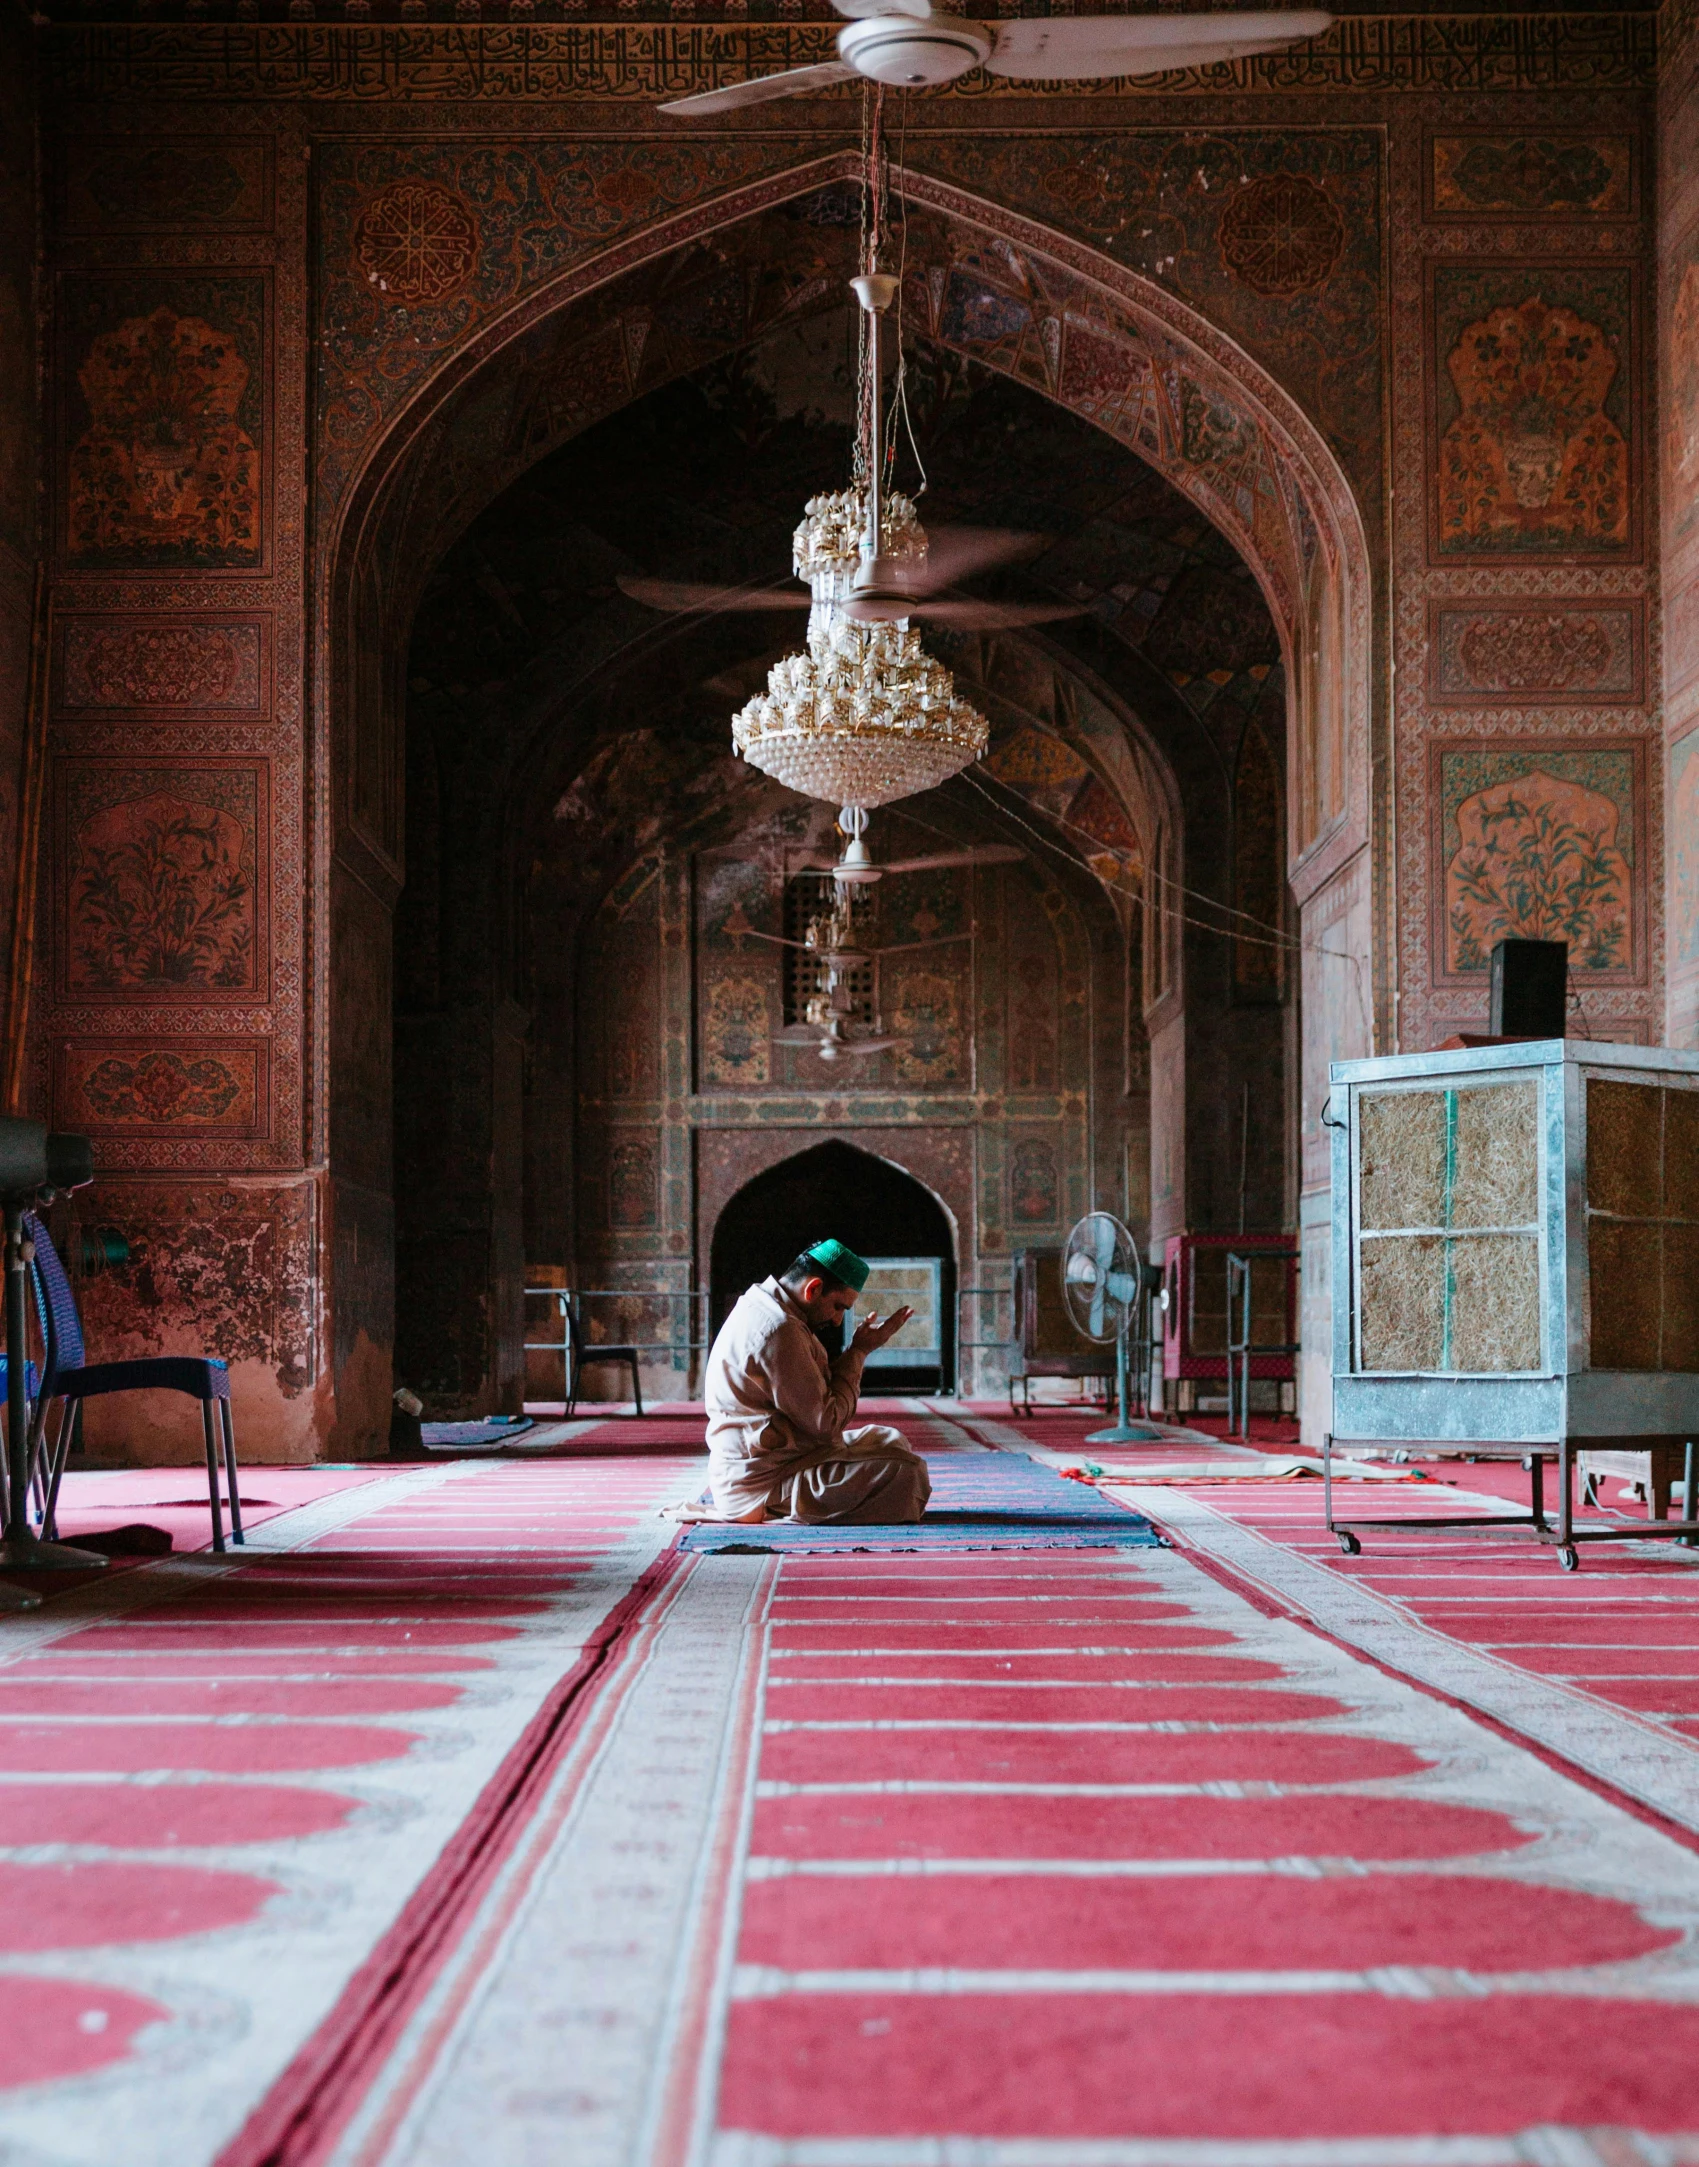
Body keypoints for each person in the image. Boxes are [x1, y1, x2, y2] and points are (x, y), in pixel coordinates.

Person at [699, 1239, 931, 1525]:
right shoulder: (779, 1330)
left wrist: (857, 1351)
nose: (837, 1320)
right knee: (906, 1472)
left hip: (789, 1459)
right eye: (838, 1307)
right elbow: (827, 1423)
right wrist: (858, 1353)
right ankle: (779, 1509)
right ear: (814, 1289)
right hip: (763, 1485)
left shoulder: (767, 1308)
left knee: (891, 1441)